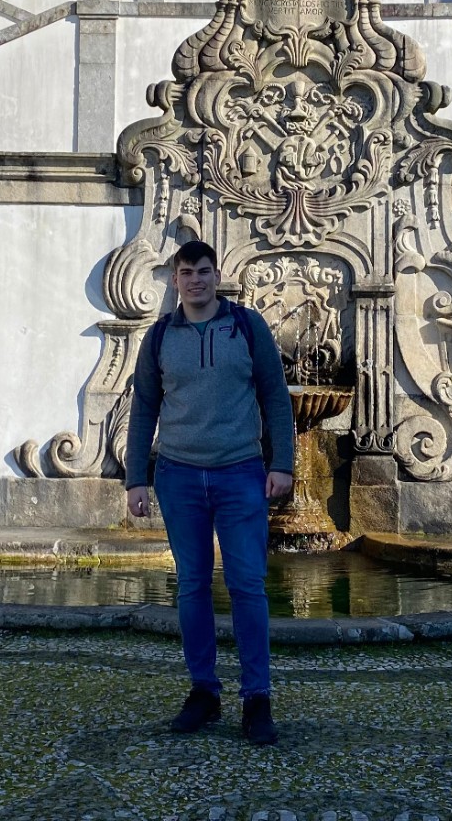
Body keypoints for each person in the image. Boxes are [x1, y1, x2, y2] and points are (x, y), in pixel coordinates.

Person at [125, 239, 294, 745]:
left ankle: (256, 697)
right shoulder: (158, 338)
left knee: (248, 586)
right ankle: (204, 690)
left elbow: (275, 395)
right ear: (174, 279)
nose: (194, 280)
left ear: (216, 275)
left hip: (240, 472)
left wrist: (281, 463)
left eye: (202, 271)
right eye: (185, 272)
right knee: (192, 586)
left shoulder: (246, 326)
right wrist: (136, 476)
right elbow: (143, 409)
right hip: (177, 476)